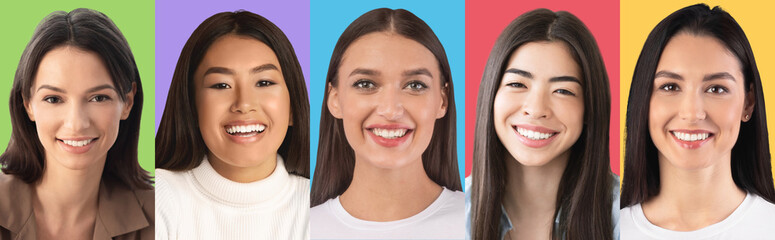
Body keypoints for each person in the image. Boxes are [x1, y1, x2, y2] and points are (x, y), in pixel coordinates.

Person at [620, 4, 775, 239]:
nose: (692, 113)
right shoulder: (607, 229)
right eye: (670, 87)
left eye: (716, 88)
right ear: (643, 100)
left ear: (748, 103)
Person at [309, 8, 464, 239]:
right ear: (334, 99)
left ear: (442, 101)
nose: (391, 110)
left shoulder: (483, 222)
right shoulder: (298, 229)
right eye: (365, 84)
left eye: (415, 85)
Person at [154, 10, 310, 239]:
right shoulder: (158, 198)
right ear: (191, 105)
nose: (244, 104)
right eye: (221, 85)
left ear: (293, 108)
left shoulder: (317, 207)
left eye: (264, 82)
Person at [0, 8, 153, 239]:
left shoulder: (164, 215)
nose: (76, 123)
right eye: (53, 99)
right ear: (27, 103)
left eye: (98, 98)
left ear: (128, 102)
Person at [467, 8, 619, 240]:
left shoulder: (630, 215)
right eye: (517, 84)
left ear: (589, 108)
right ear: (491, 95)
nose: (537, 109)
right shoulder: (448, 212)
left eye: (563, 90)